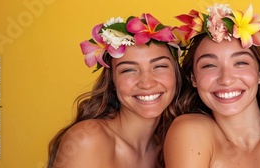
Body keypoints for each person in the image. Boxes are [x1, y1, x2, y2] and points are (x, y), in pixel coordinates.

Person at [164, 4, 260, 168]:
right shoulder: (188, 131)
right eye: (209, 65)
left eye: (240, 63)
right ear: (193, 78)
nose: (226, 79)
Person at [47, 13, 186, 168]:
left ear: (177, 75)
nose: (146, 83)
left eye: (159, 66)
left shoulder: (169, 147)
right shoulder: (88, 140)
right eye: (128, 70)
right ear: (112, 81)